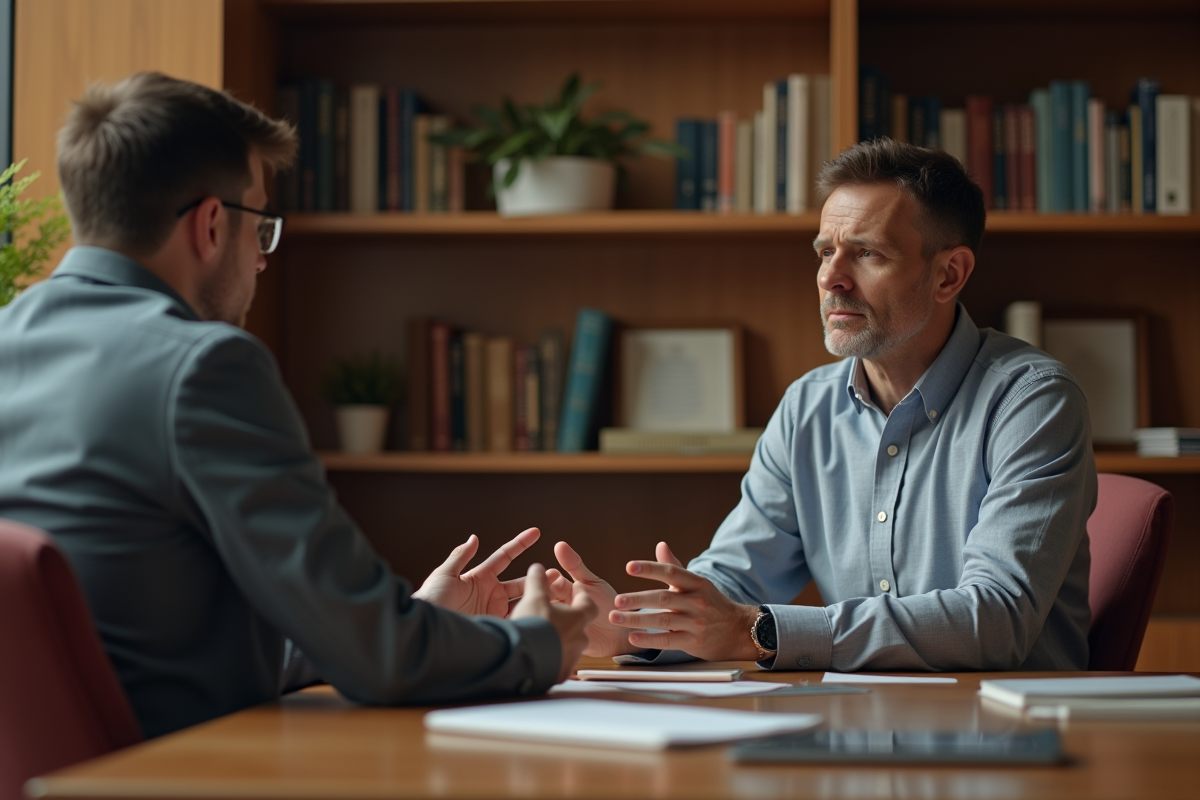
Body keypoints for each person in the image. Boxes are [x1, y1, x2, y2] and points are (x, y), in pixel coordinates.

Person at [0, 72, 594, 739]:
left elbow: (153, 649)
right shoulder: (200, 365)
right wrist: (541, 644)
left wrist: (419, 623)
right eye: (261, 226)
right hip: (183, 774)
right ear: (211, 224)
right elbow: (384, 665)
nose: (260, 261)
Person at [547, 138, 1097, 672]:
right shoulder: (807, 406)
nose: (832, 279)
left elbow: (997, 619)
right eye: (826, 251)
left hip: (1010, 737)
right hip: (857, 726)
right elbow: (735, 581)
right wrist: (627, 625)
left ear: (948, 274)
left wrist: (754, 631)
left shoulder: (1031, 402)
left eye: (868, 253)